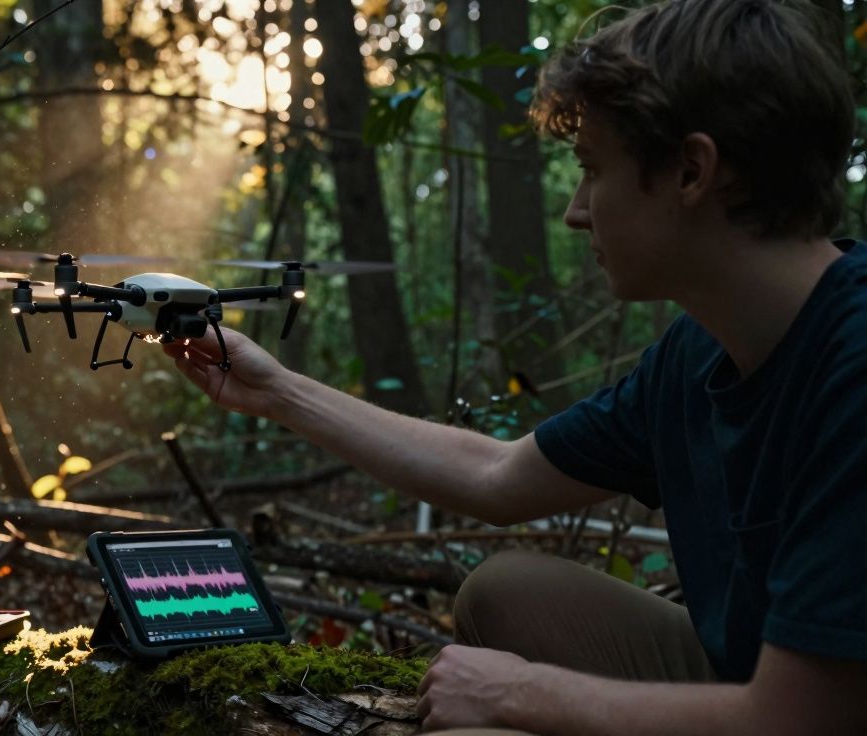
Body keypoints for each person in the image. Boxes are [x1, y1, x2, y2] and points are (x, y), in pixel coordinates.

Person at [163, 0, 867, 733]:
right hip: (760, 677)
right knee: (506, 593)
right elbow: (497, 475)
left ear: (691, 171)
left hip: (805, 709)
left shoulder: (852, 368)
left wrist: (517, 694)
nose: (576, 210)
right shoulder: (697, 354)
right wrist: (278, 391)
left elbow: (806, 718)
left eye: (593, 169)